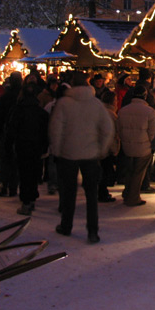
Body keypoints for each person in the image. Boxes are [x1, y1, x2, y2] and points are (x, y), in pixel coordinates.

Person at [49, 71, 114, 244]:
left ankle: (66, 225)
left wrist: (56, 150)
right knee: (91, 194)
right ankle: (92, 230)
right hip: (91, 154)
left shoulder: (64, 103)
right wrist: (101, 149)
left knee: (69, 192)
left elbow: (56, 130)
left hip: (68, 154)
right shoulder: (96, 103)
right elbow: (108, 128)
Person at [8, 83, 50, 215]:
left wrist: (10, 144)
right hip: (36, 146)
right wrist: (45, 145)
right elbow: (45, 131)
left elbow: (11, 129)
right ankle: (32, 197)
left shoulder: (17, 110)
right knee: (34, 172)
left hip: (22, 145)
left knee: (24, 173)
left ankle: (26, 200)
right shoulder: (40, 112)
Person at [118, 84, 155, 206]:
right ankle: (133, 197)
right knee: (138, 172)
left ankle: (127, 192)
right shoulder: (150, 112)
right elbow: (153, 133)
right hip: (143, 147)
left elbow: (119, 129)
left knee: (130, 170)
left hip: (127, 146)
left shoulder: (123, 110)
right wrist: (153, 145)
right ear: (145, 96)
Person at [0, 71, 22, 197]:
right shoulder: (21, 95)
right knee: (16, 161)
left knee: (6, 159)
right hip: (20, 132)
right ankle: (13, 186)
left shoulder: (7, 96)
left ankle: (5, 185)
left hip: (7, 131)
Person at [98, 88, 119, 203]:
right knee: (105, 170)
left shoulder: (99, 111)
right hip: (107, 147)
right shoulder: (111, 114)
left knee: (102, 170)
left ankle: (101, 191)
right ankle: (102, 192)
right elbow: (113, 133)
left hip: (98, 146)